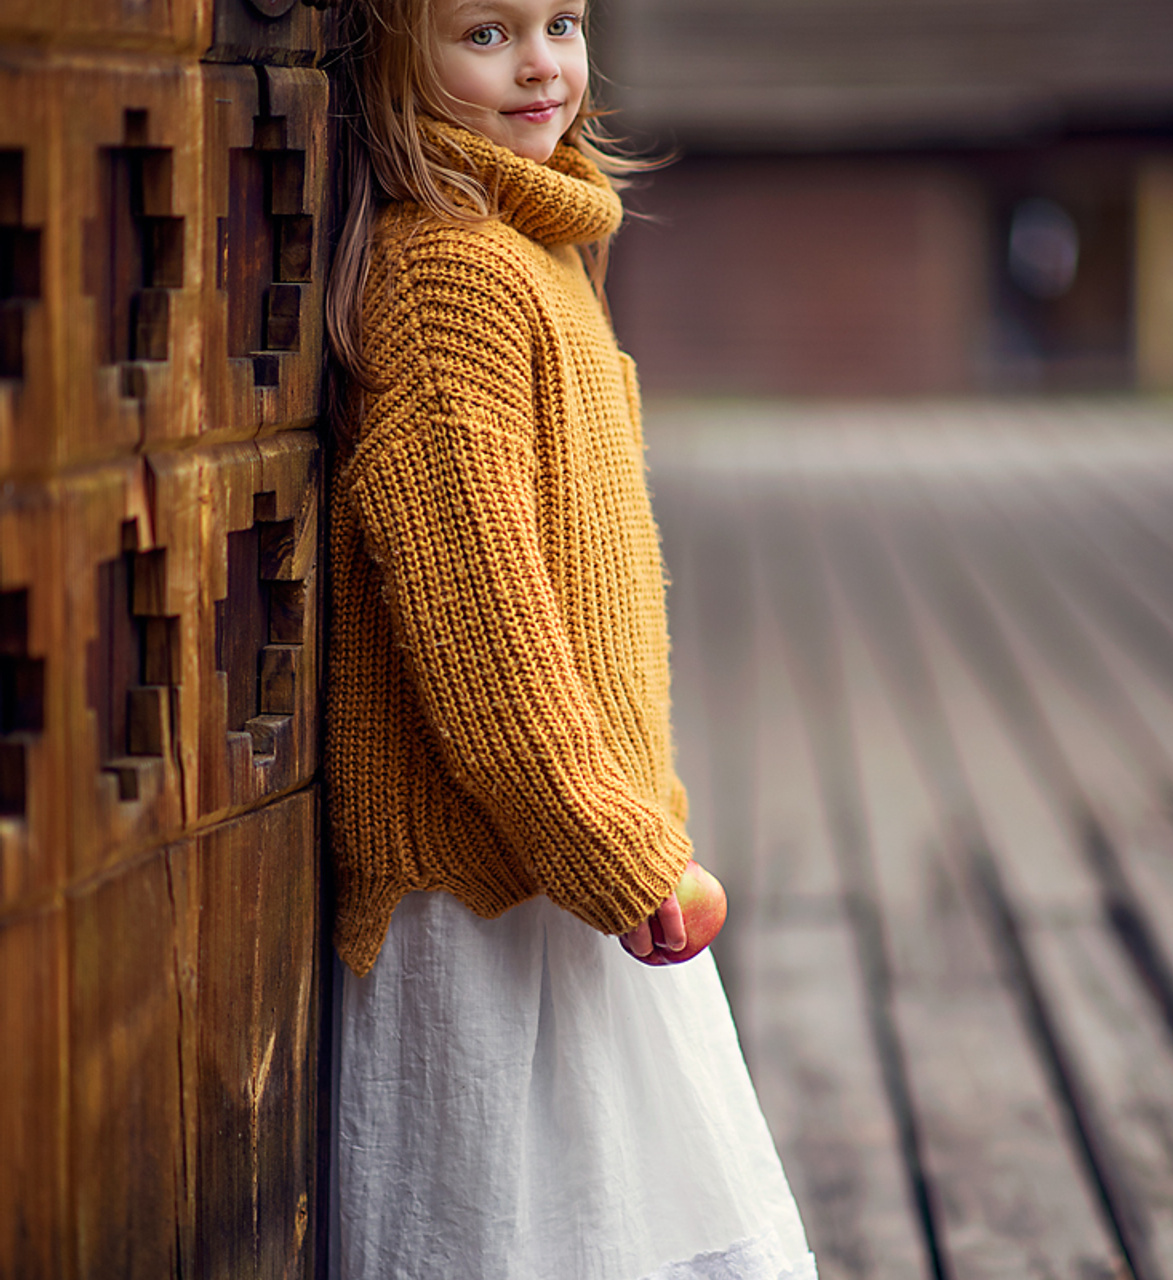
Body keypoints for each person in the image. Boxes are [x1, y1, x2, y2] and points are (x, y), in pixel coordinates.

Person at [323, 1, 818, 1276]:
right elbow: (483, 626)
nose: (542, 62)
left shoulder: (531, 246)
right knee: (515, 1228)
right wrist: (615, 849)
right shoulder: (445, 277)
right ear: (389, 59)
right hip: (491, 885)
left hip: (580, 853)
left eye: (561, 21)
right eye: (484, 33)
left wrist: (620, 830)